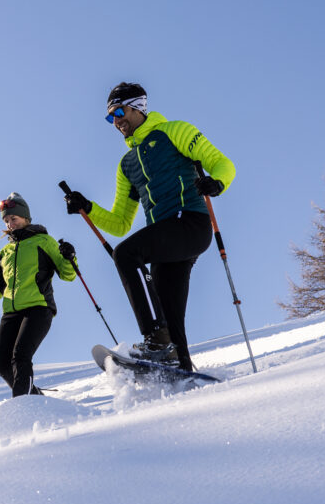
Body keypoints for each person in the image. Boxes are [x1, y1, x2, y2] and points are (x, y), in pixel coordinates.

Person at [63, 82, 236, 372]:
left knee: (126, 254)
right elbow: (120, 223)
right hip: (164, 242)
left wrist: (217, 182)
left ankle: (154, 342)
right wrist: (87, 207)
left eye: (119, 111)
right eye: (110, 117)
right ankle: (181, 369)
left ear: (139, 107)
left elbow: (222, 162)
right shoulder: (127, 164)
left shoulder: (175, 131)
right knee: (170, 319)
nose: (116, 121)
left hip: (190, 223)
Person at [0, 192, 78, 397]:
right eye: (7, 220)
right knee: (1, 363)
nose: (11, 223)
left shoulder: (44, 241)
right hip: (11, 313)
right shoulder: (4, 253)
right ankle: (35, 399)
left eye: (14, 218)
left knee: (21, 356)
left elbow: (68, 274)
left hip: (38, 308)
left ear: (26, 218)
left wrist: (69, 256)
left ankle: (23, 406)